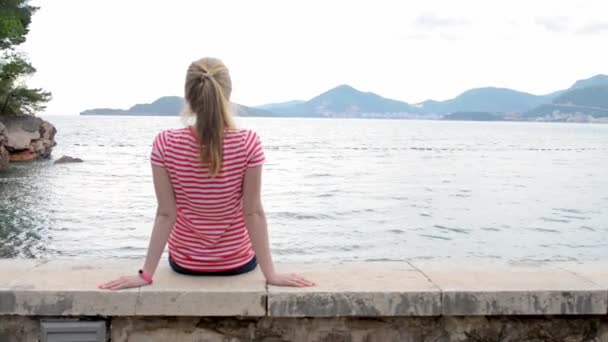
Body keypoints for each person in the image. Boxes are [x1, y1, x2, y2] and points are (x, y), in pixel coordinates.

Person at [100, 57, 315, 290]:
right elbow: (252, 212)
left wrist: (146, 274)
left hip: (185, 264)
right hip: (237, 263)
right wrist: (271, 274)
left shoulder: (165, 143)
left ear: (188, 96)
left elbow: (165, 214)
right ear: (228, 94)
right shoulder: (248, 143)